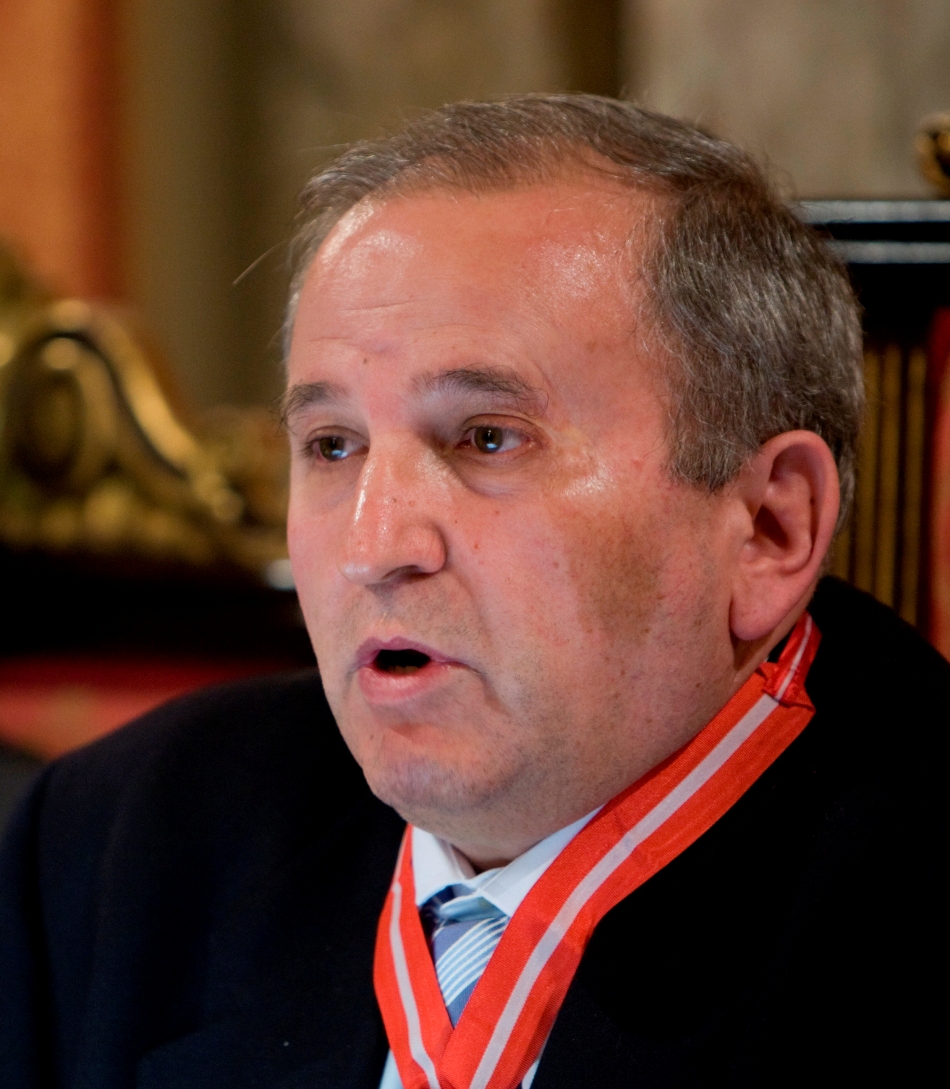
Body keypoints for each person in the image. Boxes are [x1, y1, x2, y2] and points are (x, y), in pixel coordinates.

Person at [1, 95, 945, 1089]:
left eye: (486, 439)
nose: (373, 547)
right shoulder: (117, 847)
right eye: (332, 445)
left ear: (767, 527)